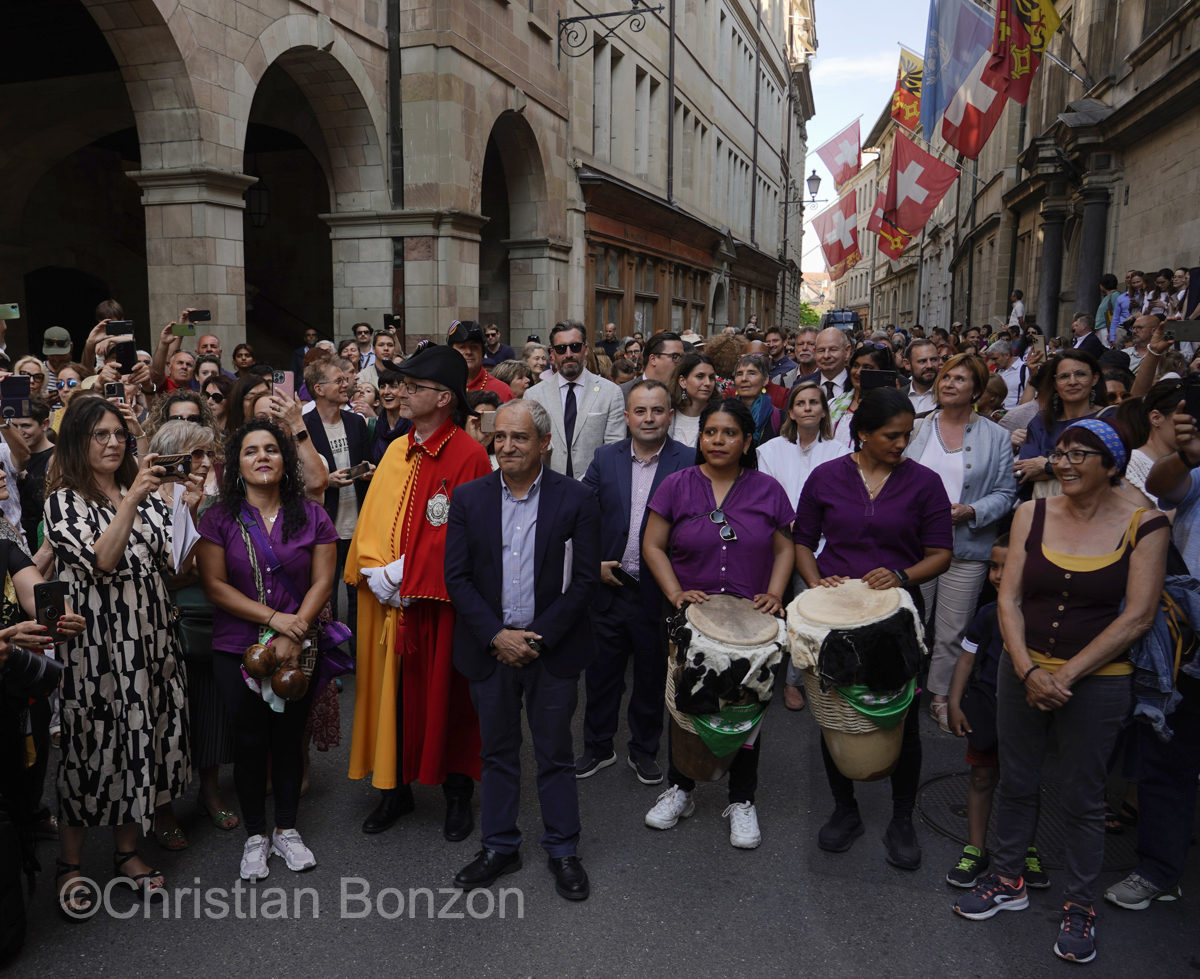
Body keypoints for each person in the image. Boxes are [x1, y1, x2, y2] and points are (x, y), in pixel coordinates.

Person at [953, 420, 1167, 966]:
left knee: (1084, 796)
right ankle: (1007, 878)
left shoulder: (1146, 524)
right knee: (1016, 780)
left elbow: (1139, 617)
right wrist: (1027, 671)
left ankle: (1079, 904)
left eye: (1082, 456)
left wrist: (1065, 676)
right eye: (1063, 454)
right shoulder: (1032, 512)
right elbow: (1009, 598)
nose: (1067, 464)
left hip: (1098, 681)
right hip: (1023, 669)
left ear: (1112, 465)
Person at [444, 399, 600, 899]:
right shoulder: (469, 499)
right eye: (501, 437)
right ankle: (499, 846)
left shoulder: (576, 499)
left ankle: (562, 849)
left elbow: (584, 581)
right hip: (489, 648)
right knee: (497, 752)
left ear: (545, 443)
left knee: (555, 752)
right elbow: (458, 578)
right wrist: (497, 635)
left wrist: (537, 637)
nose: (507, 446)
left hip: (550, 649)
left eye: (520, 437)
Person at [793, 388, 953, 869]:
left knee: (900, 716)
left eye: (907, 435)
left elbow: (941, 553)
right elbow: (803, 539)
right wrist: (819, 581)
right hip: (835, 622)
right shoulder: (826, 477)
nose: (901, 443)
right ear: (862, 433)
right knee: (836, 714)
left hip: (897, 618)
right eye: (891, 435)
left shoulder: (924, 483)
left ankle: (901, 819)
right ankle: (846, 810)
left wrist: (903, 575)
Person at [45, 397, 192, 909]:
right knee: (89, 750)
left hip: (151, 642)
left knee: (142, 744)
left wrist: (181, 507)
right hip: (95, 650)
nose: (112, 443)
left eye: (118, 434)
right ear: (75, 443)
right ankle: (70, 864)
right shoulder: (62, 502)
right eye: (98, 435)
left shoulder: (143, 491)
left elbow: (171, 562)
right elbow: (103, 561)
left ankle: (127, 852)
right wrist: (130, 502)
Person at [346, 346, 490, 838]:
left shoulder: (469, 455)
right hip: (390, 601)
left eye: (413, 386)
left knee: (448, 698)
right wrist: (375, 571)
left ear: (444, 398)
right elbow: (373, 517)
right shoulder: (394, 447)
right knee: (393, 696)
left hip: (439, 601)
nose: (401, 392)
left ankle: (456, 796)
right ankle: (394, 791)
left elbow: (467, 534)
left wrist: (407, 574)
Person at [640, 398, 794, 848]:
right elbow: (653, 546)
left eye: (729, 433)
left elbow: (786, 548)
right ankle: (681, 789)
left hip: (752, 627)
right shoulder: (676, 485)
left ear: (747, 441)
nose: (719, 440)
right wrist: (674, 594)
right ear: (700, 437)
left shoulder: (768, 489)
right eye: (710, 432)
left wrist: (775, 592)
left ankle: (742, 799)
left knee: (745, 711)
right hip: (691, 622)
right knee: (685, 705)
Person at [197, 418, 337, 879]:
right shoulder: (218, 518)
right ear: (237, 465)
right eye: (251, 450)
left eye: (272, 449)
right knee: (250, 739)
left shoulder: (313, 513)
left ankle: (287, 830)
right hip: (235, 644)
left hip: (301, 646)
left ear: (285, 460)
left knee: (289, 738)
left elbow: (323, 581)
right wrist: (275, 620)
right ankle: (256, 835)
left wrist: (294, 633)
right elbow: (215, 585)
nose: (263, 457)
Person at [577, 381, 694, 785]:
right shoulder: (604, 458)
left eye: (657, 411)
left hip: (658, 594)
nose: (648, 418)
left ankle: (644, 750)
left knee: (650, 677)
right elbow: (581, 517)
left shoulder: (690, 462)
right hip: (609, 587)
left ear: (670, 415)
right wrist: (592, 563)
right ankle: (597, 747)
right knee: (601, 676)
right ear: (626, 417)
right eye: (640, 411)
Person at [906, 355, 1017, 731]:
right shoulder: (917, 428)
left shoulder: (996, 436)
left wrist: (971, 510)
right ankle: (903, 687)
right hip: (915, 544)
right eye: (946, 376)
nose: (949, 383)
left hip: (967, 546)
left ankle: (939, 695)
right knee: (910, 621)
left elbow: (1006, 493)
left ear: (977, 391)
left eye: (961, 379)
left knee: (952, 628)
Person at [145, 420, 237, 849]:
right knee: (164, 716)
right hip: (159, 624)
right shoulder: (144, 500)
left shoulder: (217, 501)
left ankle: (210, 790)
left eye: (206, 454)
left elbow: (223, 565)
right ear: (167, 458)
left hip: (207, 617)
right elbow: (175, 570)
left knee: (210, 705)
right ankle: (162, 809)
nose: (202, 463)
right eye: (192, 455)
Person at [944, 536, 1050, 888]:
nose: (999, 575)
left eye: (1009, 567)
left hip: (1030, 710)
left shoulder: (1046, 619)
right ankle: (976, 849)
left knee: (1025, 782)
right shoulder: (988, 615)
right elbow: (968, 658)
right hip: (989, 708)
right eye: (993, 566)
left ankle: (1027, 849)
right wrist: (954, 702)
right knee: (982, 777)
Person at [757, 381, 850, 711]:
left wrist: (810, 529)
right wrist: (791, 523)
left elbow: (841, 500)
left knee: (807, 613)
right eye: (800, 402)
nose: (808, 407)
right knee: (770, 610)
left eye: (814, 402)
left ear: (824, 410)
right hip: (776, 540)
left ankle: (795, 680)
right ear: (791, 412)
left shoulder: (839, 452)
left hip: (820, 544)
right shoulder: (770, 450)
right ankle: (758, 673)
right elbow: (767, 495)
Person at [303, 358, 373, 628]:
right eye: (339, 381)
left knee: (360, 597)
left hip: (359, 523)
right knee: (324, 594)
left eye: (346, 379)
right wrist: (325, 481)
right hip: (324, 523)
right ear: (319, 389)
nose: (347, 384)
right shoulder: (304, 426)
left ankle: (359, 660)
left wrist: (368, 471)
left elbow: (366, 462)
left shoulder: (356, 423)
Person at [523, 321, 625, 478]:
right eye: (561, 348)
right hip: (548, 489)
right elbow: (529, 447)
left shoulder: (610, 393)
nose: (568, 354)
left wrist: (586, 485)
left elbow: (613, 449)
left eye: (575, 347)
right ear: (552, 353)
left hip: (594, 490)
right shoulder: (534, 395)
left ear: (585, 350)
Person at [1014, 350, 1107, 495]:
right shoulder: (1041, 422)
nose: (1072, 382)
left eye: (1081, 374)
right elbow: (1023, 473)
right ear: (1055, 384)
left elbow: (1108, 468)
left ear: (1095, 378)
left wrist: (1049, 466)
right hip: (1048, 510)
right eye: (1064, 376)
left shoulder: (1109, 418)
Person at [832, 344, 895, 446]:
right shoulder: (833, 404)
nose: (858, 372)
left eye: (868, 368)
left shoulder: (890, 407)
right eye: (856, 366)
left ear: (882, 373)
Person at [12, 399, 55, 548]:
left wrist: (25, 476)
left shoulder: (58, 457)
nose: (18, 431)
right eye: (14, 426)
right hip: (17, 541)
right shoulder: (8, 455)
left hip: (46, 540)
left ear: (44, 424)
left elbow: (52, 504)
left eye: (26, 425)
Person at [449, 320, 513, 401]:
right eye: (462, 347)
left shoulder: (502, 391)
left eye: (474, 347)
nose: (468, 352)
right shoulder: (441, 388)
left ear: (482, 352)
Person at [667, 353, 717, 448]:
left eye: (711, 377)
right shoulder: (668, 414)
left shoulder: (719, 415)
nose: (707, 383)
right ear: (683, 381)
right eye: (700, 376)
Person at [731, 354, 780, 445]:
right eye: (739, 374)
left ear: (765, 380)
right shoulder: (726, 415)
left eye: (752, 373)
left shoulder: (780, 418)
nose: (744, 379)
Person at [620, 331, 685, 396]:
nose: (681, 362)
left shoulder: (684, 393)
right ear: (653, 359)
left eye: (682, 357)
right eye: (675, 357)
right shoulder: (623, 393)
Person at [902, 339, 942, 415]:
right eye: (922, 361)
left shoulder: (947, 395)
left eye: (934, 360)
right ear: (907, 364)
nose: (929, 366)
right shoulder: (900, 396)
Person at [985, 340, 1027, 410]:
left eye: (995, 358)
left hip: (1016, 415)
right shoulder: (997, 370)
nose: (993, 362)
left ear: (1007, 355)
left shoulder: (1025, 370)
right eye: (991, 359)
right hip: (998, 414)